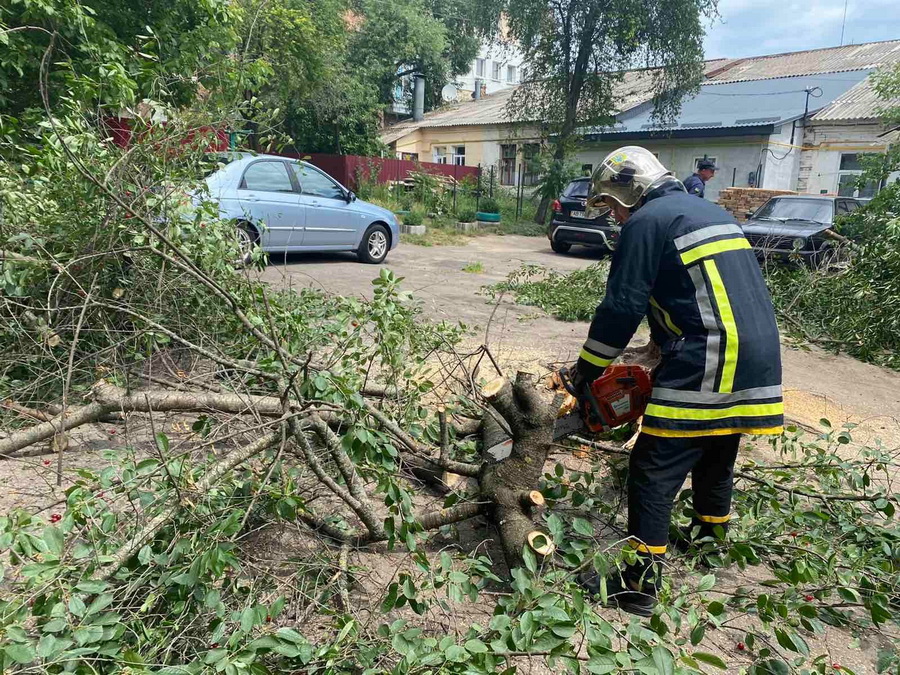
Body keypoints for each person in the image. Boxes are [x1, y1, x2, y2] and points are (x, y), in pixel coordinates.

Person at [573, 146, 783, 616]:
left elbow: (622, 307)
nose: (614, 216)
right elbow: (692, 293)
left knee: (653, 466)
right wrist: (657, 349)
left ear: (630, 192)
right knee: (716, 449)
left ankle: (638, 586)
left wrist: (585, 370)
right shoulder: (709, 212)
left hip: (710, 353)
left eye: (612, 206)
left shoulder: (647, 223)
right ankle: (709, 541)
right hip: (758, 353)